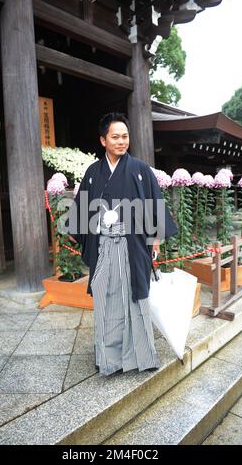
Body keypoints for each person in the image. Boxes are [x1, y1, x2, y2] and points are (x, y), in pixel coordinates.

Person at [66, 112, 178, 376]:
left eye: (125, 136)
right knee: (106, 298)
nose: (121, 141)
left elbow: (154, 205)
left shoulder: (140, 170)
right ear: (103, 140)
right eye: (115, 137)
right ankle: (110, 359)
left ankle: (140, 356)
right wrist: (81, 229)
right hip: (104, 245)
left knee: (135, 298)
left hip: (134, 244)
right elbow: (82, 211)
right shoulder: (93, 172)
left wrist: (155, 239)